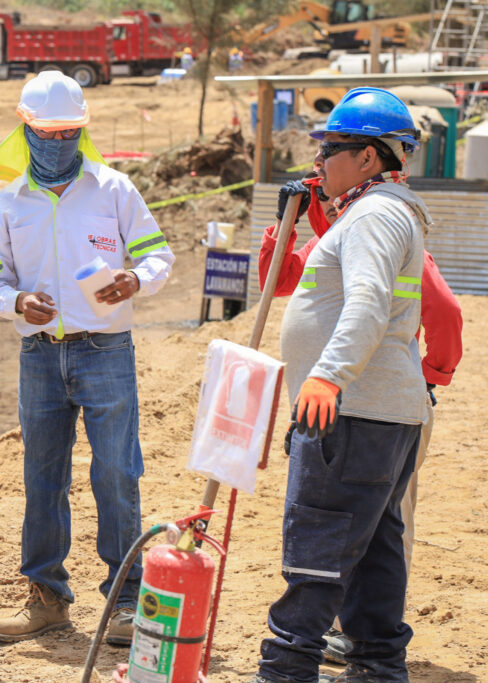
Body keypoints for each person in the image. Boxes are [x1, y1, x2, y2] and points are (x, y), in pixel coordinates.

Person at [0, 71, 175, 647]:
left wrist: (135, 279)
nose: (59, 143)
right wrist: (16, 301)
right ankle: (46, 597)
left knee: (116, 473)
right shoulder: (9, 203)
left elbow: (158, 256)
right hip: (39, 356)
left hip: (106, 350)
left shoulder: (114, 190)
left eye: (69, 133)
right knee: (42, 476)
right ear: (25, 128)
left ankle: (126, 600)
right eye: (48, 133)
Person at [250, 87, 430, 683]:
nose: (318, 161)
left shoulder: (374, 216)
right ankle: (378, 669)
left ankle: (286, 671)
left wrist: (327, 376)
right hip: (380, 413)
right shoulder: (378, 210)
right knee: (375, 553)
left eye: (330, 150)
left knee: (318, 553)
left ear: (369, 157)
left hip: (350, 414)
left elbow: (369, 302)